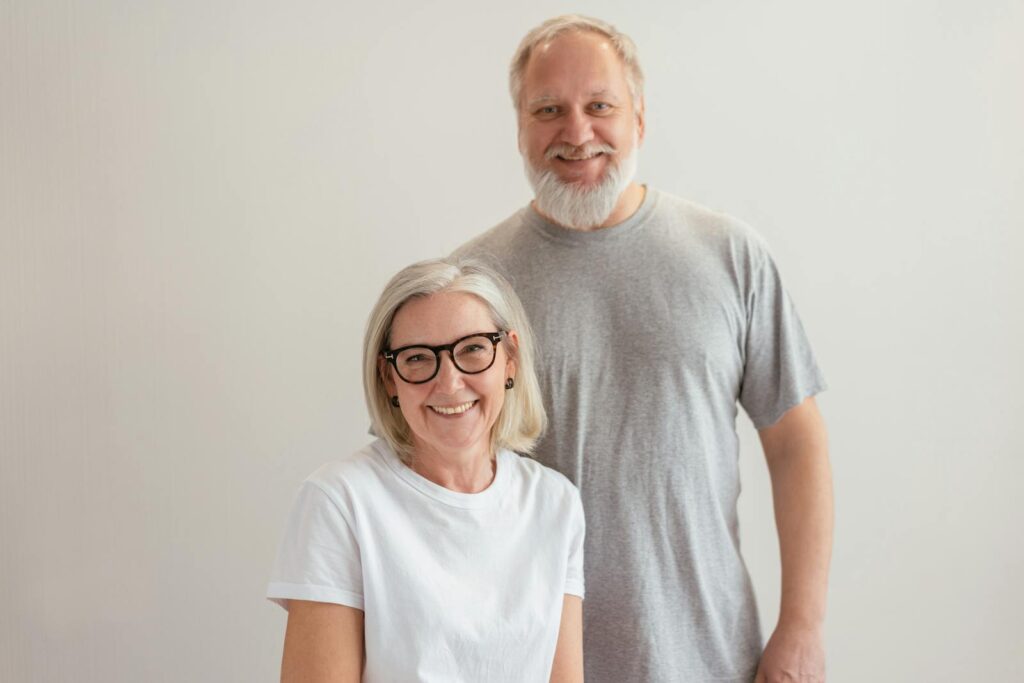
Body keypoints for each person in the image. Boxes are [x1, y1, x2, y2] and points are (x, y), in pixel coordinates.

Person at [455, 14, 833, 683]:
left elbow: (796, 442)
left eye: (600, 105)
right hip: (524, 664)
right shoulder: (469, 286)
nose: (577, 133)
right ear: (519, 127)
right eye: (549, 110)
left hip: (711, 658)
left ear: (639, 119)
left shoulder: (730, 256)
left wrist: (801, 627)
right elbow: (421, 484)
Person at [266, 257, 586, 682]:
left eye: (472, 349)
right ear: (389, 379)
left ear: (509, 357)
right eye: (417, 358)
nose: (450, 382)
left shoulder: (555, 503)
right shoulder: (340, 501)